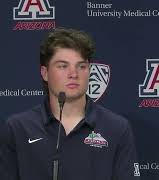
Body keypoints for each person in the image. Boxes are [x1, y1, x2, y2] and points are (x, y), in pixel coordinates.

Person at [0, 28, 140, 180]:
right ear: (45, 73)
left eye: (81, 66)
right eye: (63, 66)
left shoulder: (117, 128)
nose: (73, 74)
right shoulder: (17, 128)